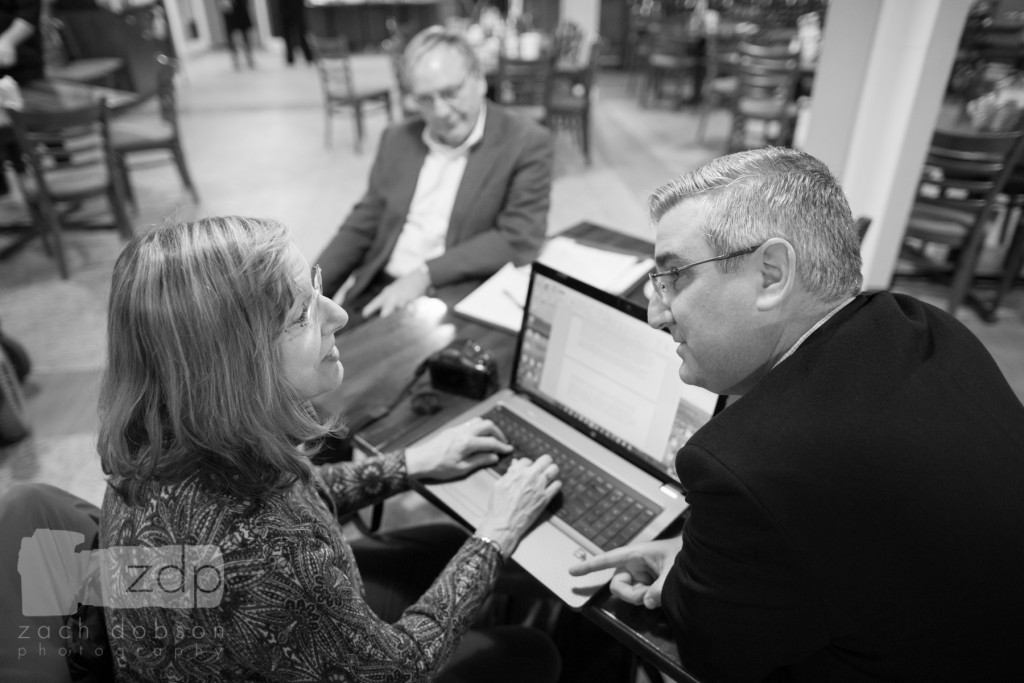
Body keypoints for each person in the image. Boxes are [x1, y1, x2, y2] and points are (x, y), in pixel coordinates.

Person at [570, 147, 1024, 681]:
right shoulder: (922, 323)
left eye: (675, 279)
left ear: (772, 274)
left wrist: (684, 575)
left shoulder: (744, 467)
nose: (655, 314)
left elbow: (714, 653)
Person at [97, 216, 563, 681]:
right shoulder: (270, 556)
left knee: (442, 545)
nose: (337, 314)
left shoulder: (157, 448)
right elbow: (396, 670)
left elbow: (297, 493)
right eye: (301, 315)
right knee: (530, 653)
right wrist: (496, 532)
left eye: (316, 288)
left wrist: (410, 464)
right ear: (233, 368)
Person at [315, 25, 553, 325]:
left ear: (479, 80)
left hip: (450, 291)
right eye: (425, 99)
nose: (440, 111)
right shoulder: (397, 138)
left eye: (451, 93)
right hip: (379, 287)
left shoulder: (525, 141)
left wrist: (425, 274)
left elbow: (519, 237)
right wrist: (311, 288)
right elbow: (364, 222)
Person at [220, 0, 254, 70]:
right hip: (229, 11)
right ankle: (235, 60)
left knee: (245, 34)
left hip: (240, 8)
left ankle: (249, 58)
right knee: (231, 36)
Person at [278, 0, 311, 66]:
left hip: (294, 10)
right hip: (290, 11)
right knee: (291, 35)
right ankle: (291, 58)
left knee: (300, 34)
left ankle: (308, 56)